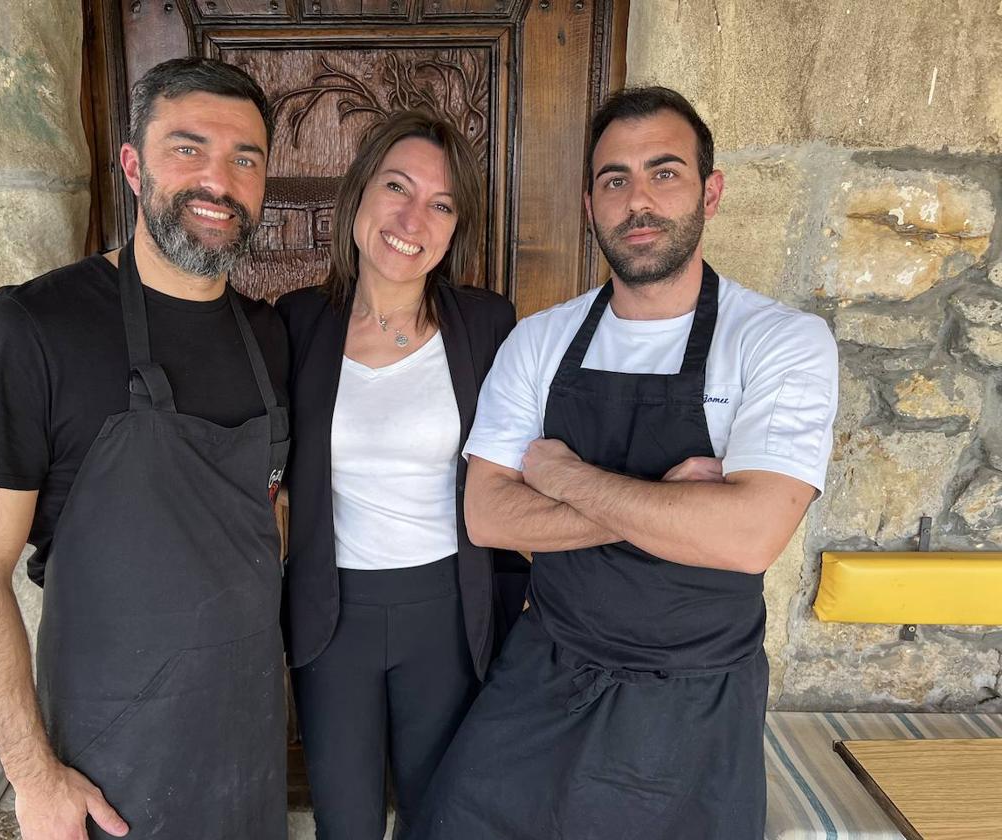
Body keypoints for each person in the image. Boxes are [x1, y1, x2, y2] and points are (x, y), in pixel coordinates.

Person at [413, 86, 839, 839]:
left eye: (664, 173)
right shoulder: (540, 342)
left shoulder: (780, 342)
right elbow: (487, 515)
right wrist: (666, 507)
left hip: (694, 701)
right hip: (547, 672)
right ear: (589, 202)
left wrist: (561, 474)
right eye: (615, 179)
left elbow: (746, 537)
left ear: (711, 191)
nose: (638, 200)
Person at [0, 58, 290, 840]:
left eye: (245, 158)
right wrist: (33, 779)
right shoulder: (28, 334)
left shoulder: (268, 338)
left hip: (249, 752)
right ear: (132, 165)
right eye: (187, 149)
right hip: (109, 776)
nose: (218, 182)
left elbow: (268, 514)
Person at [275, 110, 516, 839]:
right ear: (358, 196)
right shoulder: (295, 324)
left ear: (454, 229)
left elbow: (528, 459)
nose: (414, 217)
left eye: (441, 205)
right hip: (330, 615)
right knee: (342, 822)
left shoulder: (486, 324)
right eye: (397, 187)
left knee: (438, 816)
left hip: (446, 611)